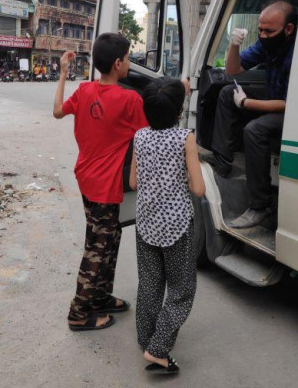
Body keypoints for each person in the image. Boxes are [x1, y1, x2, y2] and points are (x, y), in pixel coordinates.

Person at [53, 33, 148, 331]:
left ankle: (101, 297)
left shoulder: (83, 90)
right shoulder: (130, 99)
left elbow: (57, 112)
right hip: (106, 186)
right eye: (129, 58)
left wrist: (63, 74)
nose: (130, 63)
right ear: (118, 63)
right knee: (97, 247)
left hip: (86, 178)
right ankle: (79, 313)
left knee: (110, 239)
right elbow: (147, 136)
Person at [128, 77, 205, 374]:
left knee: (149, 284)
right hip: (176, 227)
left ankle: (145, 337)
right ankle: (158, 349)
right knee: (181, 290)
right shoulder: (185, 137)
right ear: (179, 111)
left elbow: (133, 182)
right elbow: (198, 189)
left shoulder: (140, 136)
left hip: (145, 223)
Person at [209, 0, 297, 229]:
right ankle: (223, 161)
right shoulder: (266, 44)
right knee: (228, 92)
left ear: (289, 29)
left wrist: (248, 103)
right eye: (260, 30)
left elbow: (289, 104)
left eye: (269, 31)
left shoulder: (297, 52)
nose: (264, 35)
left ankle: (261, 205)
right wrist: (234, 46)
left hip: (295, 112)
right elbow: (232, 71)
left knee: (255, 130)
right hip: (275, 97)